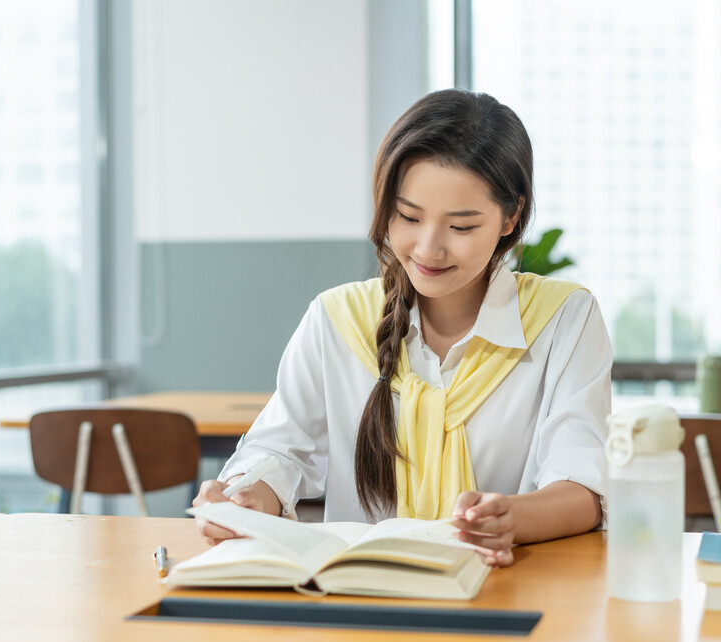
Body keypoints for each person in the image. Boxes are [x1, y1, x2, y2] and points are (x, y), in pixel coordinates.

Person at [193, 89, 612, 567]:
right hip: (360, 599)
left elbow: (583, 484)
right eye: (408, 216)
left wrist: (512, 519)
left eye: (461, 228)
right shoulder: (337, 319)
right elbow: (281, 451)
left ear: (510, 216)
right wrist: (247, 502)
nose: (428, 250)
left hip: (505, 596)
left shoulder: (563, 319)